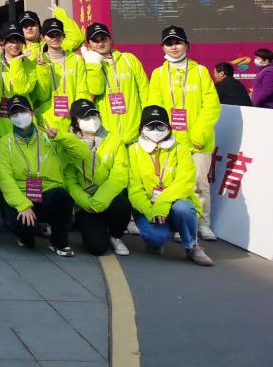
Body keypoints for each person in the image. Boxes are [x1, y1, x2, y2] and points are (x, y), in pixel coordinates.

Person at [146, 25, 221, 241]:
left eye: (177, 42)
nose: (174, 47)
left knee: (199, 183)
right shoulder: (159, 74)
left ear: (186, 45)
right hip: (170, 142)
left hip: (198, 142)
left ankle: (203, 223)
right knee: (174, 185)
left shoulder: (200, 72)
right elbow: (155, 107)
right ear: (162, 47)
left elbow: (211, 106)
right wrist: (161, 136)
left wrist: (199, 134)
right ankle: (181, 224)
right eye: (169, 43)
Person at [0, 94, 83, 256]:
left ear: (32, 113)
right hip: (22, 194)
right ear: (9, 118)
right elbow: (5, 179)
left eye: (23, 111)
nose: (19, 116)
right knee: (15, 222)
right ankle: (26, 236)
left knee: (62, 197)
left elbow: (82, 153)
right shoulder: (4, 143)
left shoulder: (49, 137)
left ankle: (58, 242)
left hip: (47, 192)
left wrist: (61, 137)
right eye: (14, 113)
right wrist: (23, 205)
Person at [127, 106, 213, 266]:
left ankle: (192, 246)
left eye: (160, 126)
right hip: (148, 207)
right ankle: (155, 238)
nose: (155, 130)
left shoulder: (181, 149)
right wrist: (151, 211)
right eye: (150, 126)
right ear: (141, 128)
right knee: (156, 238)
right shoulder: (133, 150)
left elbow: (184, 182)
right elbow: (134, 188)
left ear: (168, 127)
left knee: (184, 208)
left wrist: (162, 205)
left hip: (174, 204)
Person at [63, 99, 131, 256]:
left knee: (122, 206)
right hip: (86, 203)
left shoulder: (114, 140)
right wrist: (87, 202)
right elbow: (69, 179)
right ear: (76, 121)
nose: (91, 120)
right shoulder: (69, 142)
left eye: (94, 115)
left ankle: (115, 236)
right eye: (85, 117)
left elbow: (119, 175)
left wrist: (100, 200)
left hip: (107, 198)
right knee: (97, 248)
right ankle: (92, 227)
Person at [82, 22, 148, 145]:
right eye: (95, 40)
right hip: (107, 137)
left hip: (136, 135)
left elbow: (145, 92)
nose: (100, 43)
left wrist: (147, 122)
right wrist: (93, 64)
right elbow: (95, 89)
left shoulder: (129, 59)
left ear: (110, 39)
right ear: (89, 44)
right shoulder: (88, 65)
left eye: (103, 38)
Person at [35, 17, 89, 132]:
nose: (55, 38)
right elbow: (41, 96)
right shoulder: (38, 60)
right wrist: (42, 70)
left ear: (63, 36)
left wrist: (80, 115)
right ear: (43, 37)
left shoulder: (76, 59)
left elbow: (82, 90)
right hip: (47, 122)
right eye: (51, 35)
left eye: (58, 34)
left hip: (72, 121)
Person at [0, 23, 39, 140]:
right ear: (3, 42)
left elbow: (22, 90)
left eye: (18, 41)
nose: (15, 45)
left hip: (23, 121)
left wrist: (16, 63)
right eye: (10, 41)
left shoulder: (30, 64)